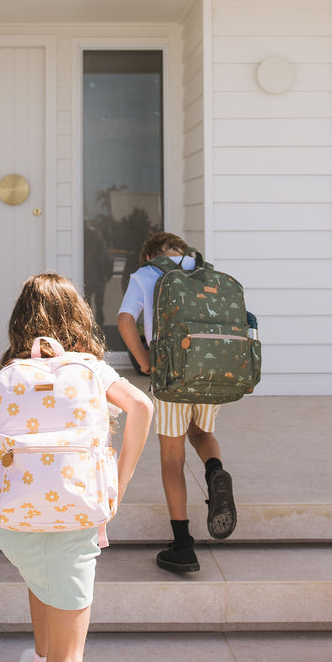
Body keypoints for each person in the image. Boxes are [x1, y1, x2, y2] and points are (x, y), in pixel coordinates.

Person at [0, 273, 153, 662]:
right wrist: (119, 479)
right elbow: (142, 406)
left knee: (41, 576)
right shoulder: (89, 367)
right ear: (77, 317)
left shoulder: (8, 374)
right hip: (75, 516)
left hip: (15, 519)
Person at [116, 231, 237, 573]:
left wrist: (143, 361)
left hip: (171, 375)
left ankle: (183, 544)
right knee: (201, 434)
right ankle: (216, 471)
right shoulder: (205, 271)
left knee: (172, 456)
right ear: (180, 250)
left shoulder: (145, 274)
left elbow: (126, 320)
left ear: (151, 255)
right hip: (210, 368)